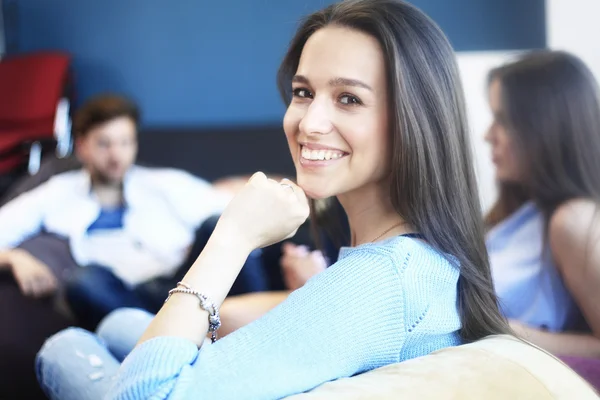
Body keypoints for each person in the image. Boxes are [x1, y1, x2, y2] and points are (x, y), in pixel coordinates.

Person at [35, 1, 511, 398]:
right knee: (120, 322)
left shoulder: (382, 279)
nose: (309, 122)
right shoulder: (418, 260)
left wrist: (232, 236)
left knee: (66, 345)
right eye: (303, 92)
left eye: (349, 99)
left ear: (414, 120)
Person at [0, 94, 236, 329]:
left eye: (125, 143)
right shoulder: (58, 192)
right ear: (82, 147)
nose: (116, 156)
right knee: (83, 282)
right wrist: (14, 258)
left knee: (219, 225)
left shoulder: (160, 183)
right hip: (122, 296)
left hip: (182, 283)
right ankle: (158, 336)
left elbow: (234, 206)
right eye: (104, 144)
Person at [484, 51, 600, 357]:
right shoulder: (519, 213)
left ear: (545, 126)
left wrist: (500, 329)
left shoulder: (574, 220)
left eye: (502, 120)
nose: (487, 136)